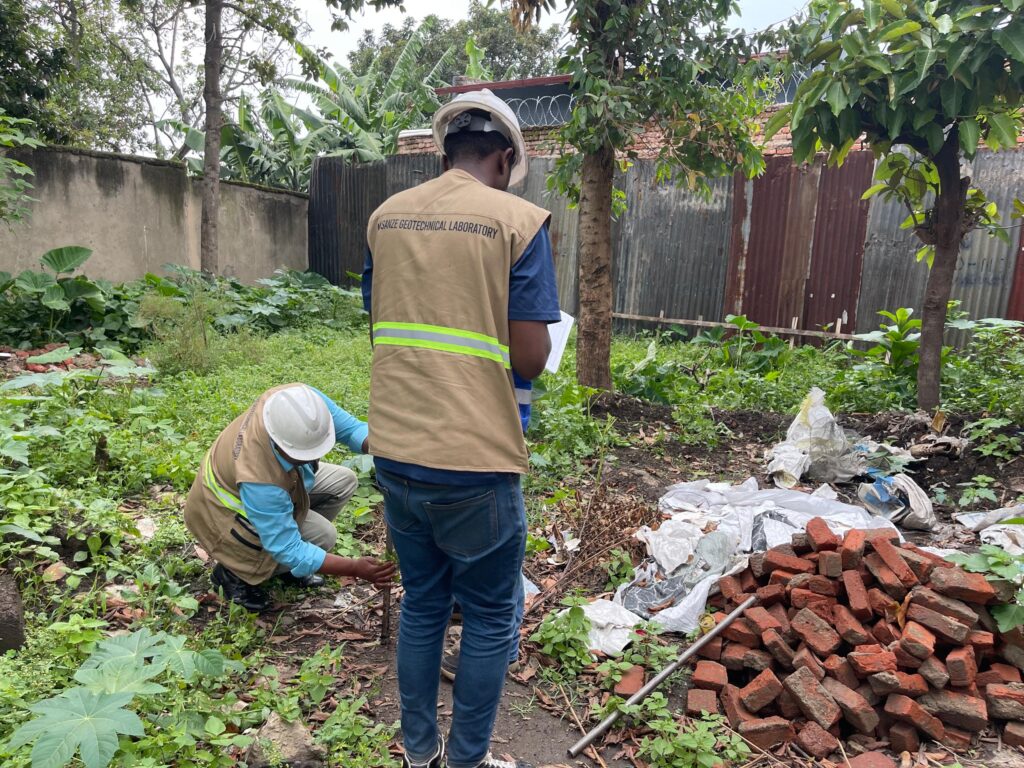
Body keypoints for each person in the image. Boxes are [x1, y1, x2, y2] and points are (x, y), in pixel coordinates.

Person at [363, 89, 560, 768]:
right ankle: (467, 760)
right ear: (504, 158)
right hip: (474, 458)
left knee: (422, 604)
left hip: (394, 448)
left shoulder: (384, 218)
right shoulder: (518, 221)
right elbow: (532, 355)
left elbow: (381, 318)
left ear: (446, 151)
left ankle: (420, 755)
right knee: (487, 617)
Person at [184, 383, 396, 612]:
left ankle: (287, 570)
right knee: (323, 536)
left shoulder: (299, 403)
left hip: (268, 485)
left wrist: (391, 451)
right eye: (301, 456)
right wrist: (355, 568)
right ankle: (234, 573)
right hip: (219, 516)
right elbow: (288, 548)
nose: (310, 459)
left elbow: (353, 430)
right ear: (279, 442)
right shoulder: (259, 477)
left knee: (343, 481)